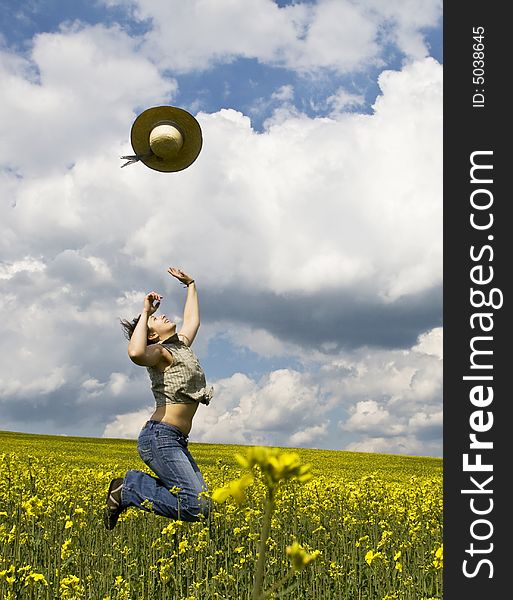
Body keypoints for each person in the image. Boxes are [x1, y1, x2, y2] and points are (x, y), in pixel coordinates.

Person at [104, 267, 213, 530]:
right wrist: (146, 313)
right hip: (160, 437)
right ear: (152, 335)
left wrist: (191, 285)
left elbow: (193, 320)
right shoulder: (159, 353)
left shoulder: (180, 346)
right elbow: (135, 352)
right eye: (157, 321)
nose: (163, 315)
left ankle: (129, 489)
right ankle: (128, 489)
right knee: (195, 505)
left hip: (175, 439)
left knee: (202, 505)